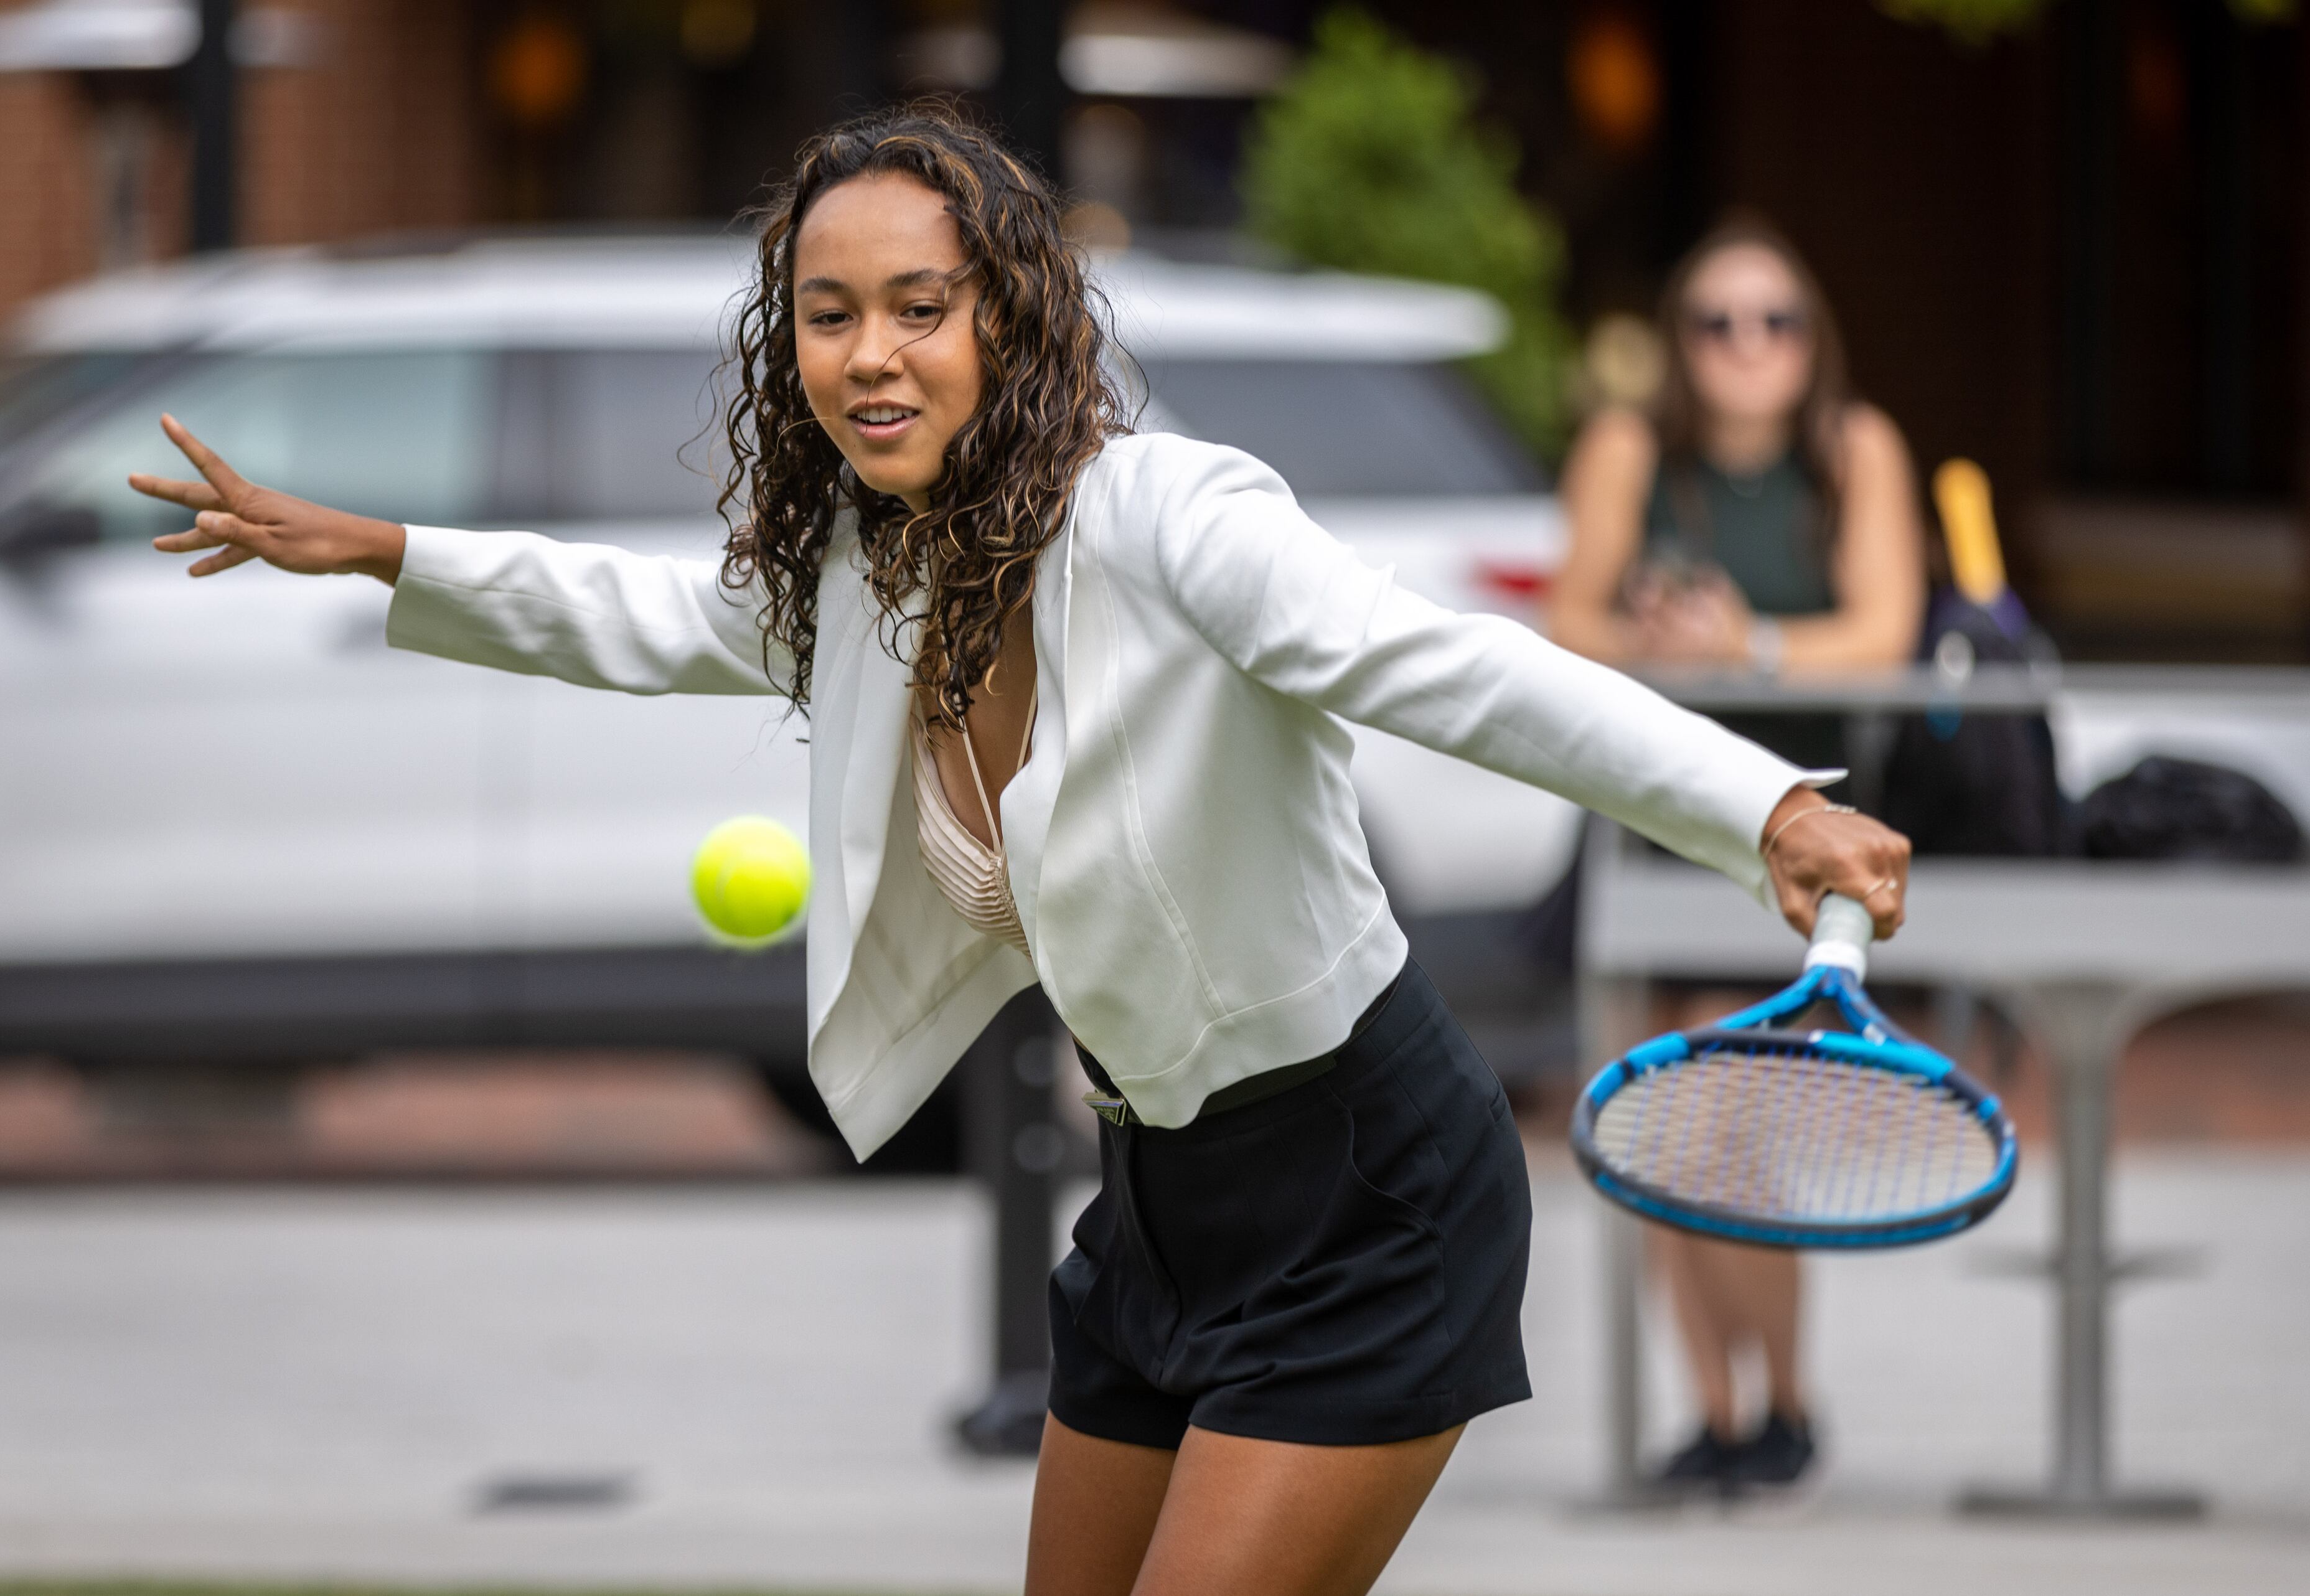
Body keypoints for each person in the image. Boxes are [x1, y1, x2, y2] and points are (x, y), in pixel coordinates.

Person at [133, 109, 1910, 1595]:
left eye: (920, 305)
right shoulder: (871, 569)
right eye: (829, 315)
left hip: (1366, 1194)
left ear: (1010, 318)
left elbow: (1440, 660)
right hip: (1156, 1204)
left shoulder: (1169, 516)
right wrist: (382, 550)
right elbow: (654, 612)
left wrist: (1758, 802)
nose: (871, 354)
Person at [1546, 216, 1926, 1497]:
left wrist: (1748, 644)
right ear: (1677, 342)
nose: (1749, 346)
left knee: (1724, 1124)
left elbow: (1885, 634)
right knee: (1658, 1124)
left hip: (1803, 833)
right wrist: (1659, 643)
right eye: (1717, 321)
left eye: (1777, 320)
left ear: (1814, 339)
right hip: (1661, 824)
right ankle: (1725, 1418)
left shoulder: (1854, 446)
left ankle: (1782, 1407)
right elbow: (1566, 627)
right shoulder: (1628, 447)